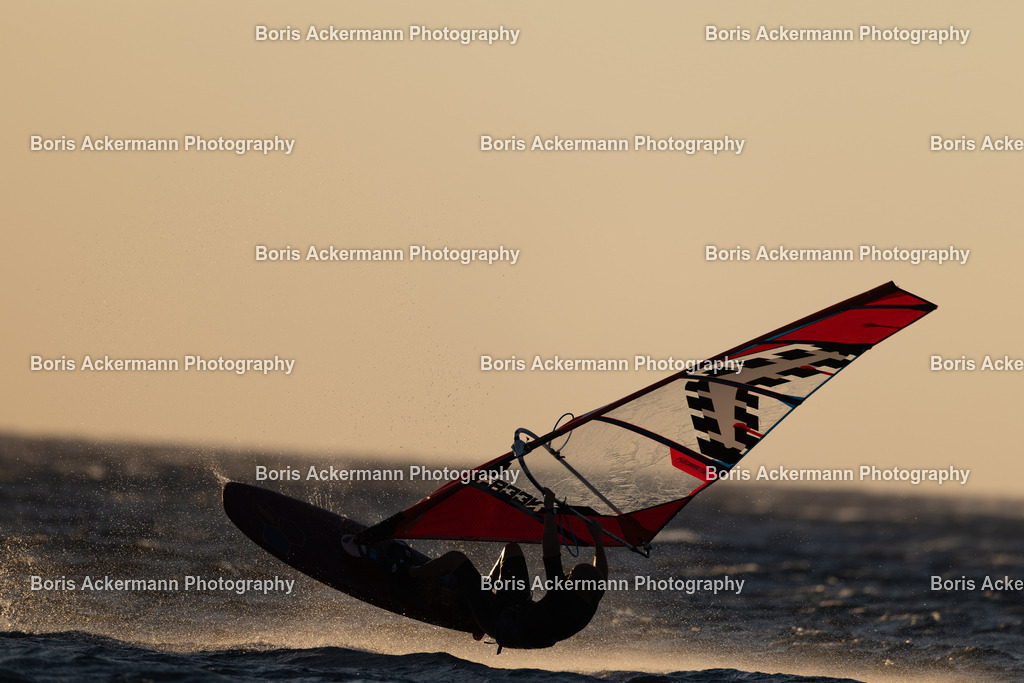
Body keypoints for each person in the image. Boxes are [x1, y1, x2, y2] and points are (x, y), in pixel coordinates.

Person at [408, 489, 608, 650]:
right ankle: (485, 590)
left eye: (570, 576)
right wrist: (598, 540)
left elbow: (551, 550)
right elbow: (601, 576)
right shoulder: (589, 600)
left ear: (575, 586)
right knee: (511, 550)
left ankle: (409, 573)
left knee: (455, 559)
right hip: (519, 612)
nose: (566, 576)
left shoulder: (562, 596)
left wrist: (549, 510)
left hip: (502, 626)